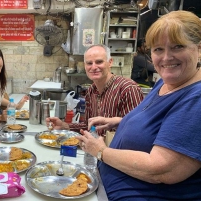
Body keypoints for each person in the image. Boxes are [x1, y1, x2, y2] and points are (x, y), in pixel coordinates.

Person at [76, 10, 201, 200]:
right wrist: (117, 121)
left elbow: (161, 170)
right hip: (104, 184)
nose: (166, 58)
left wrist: (100, 151)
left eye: (178, 47)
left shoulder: (196, 98)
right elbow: (154, 123)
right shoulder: (165, 83)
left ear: (199, 49)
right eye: (158, 49)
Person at [47, 44, 144, 136]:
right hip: (96, 151)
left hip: (117, 152)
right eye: (89, 63)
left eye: (99, 62)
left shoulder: (128, 89)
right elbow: (89, 126)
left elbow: (137, 130)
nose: (93, 67)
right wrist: (64, 126)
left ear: (110, 62)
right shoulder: (91, 91)